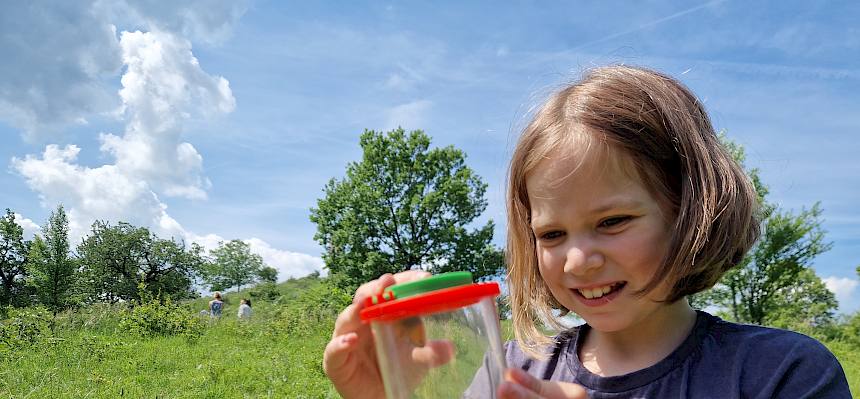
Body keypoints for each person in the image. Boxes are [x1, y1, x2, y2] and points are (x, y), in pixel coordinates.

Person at [323, 66, 852, 399]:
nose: (577, 260)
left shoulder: (780, 374)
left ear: (691, 210)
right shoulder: (511, 372)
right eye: (551, 235)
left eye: (612, 222)